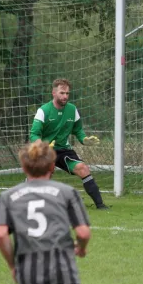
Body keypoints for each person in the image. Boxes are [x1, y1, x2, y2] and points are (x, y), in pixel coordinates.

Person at [0, 140, 91, 284]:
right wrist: (81, 248)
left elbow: (1, 234)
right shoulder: (67, 193)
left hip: (29, 278)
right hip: (62, 273)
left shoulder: (7, 197)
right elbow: (83, 232)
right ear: (52, 166)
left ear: (23, 167)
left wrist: (13, 266)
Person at [30, 78, 108, 210]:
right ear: (53, 93)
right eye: (62, 93)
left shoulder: (72, 110)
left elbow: (78, 130)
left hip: (64, 150)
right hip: (46, 150)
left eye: (67, 93)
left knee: (83, 168)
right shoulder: (43, 111)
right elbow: (34, 134)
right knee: (46, 173)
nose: (65, 96)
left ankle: (100, 205)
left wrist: (85, 140)